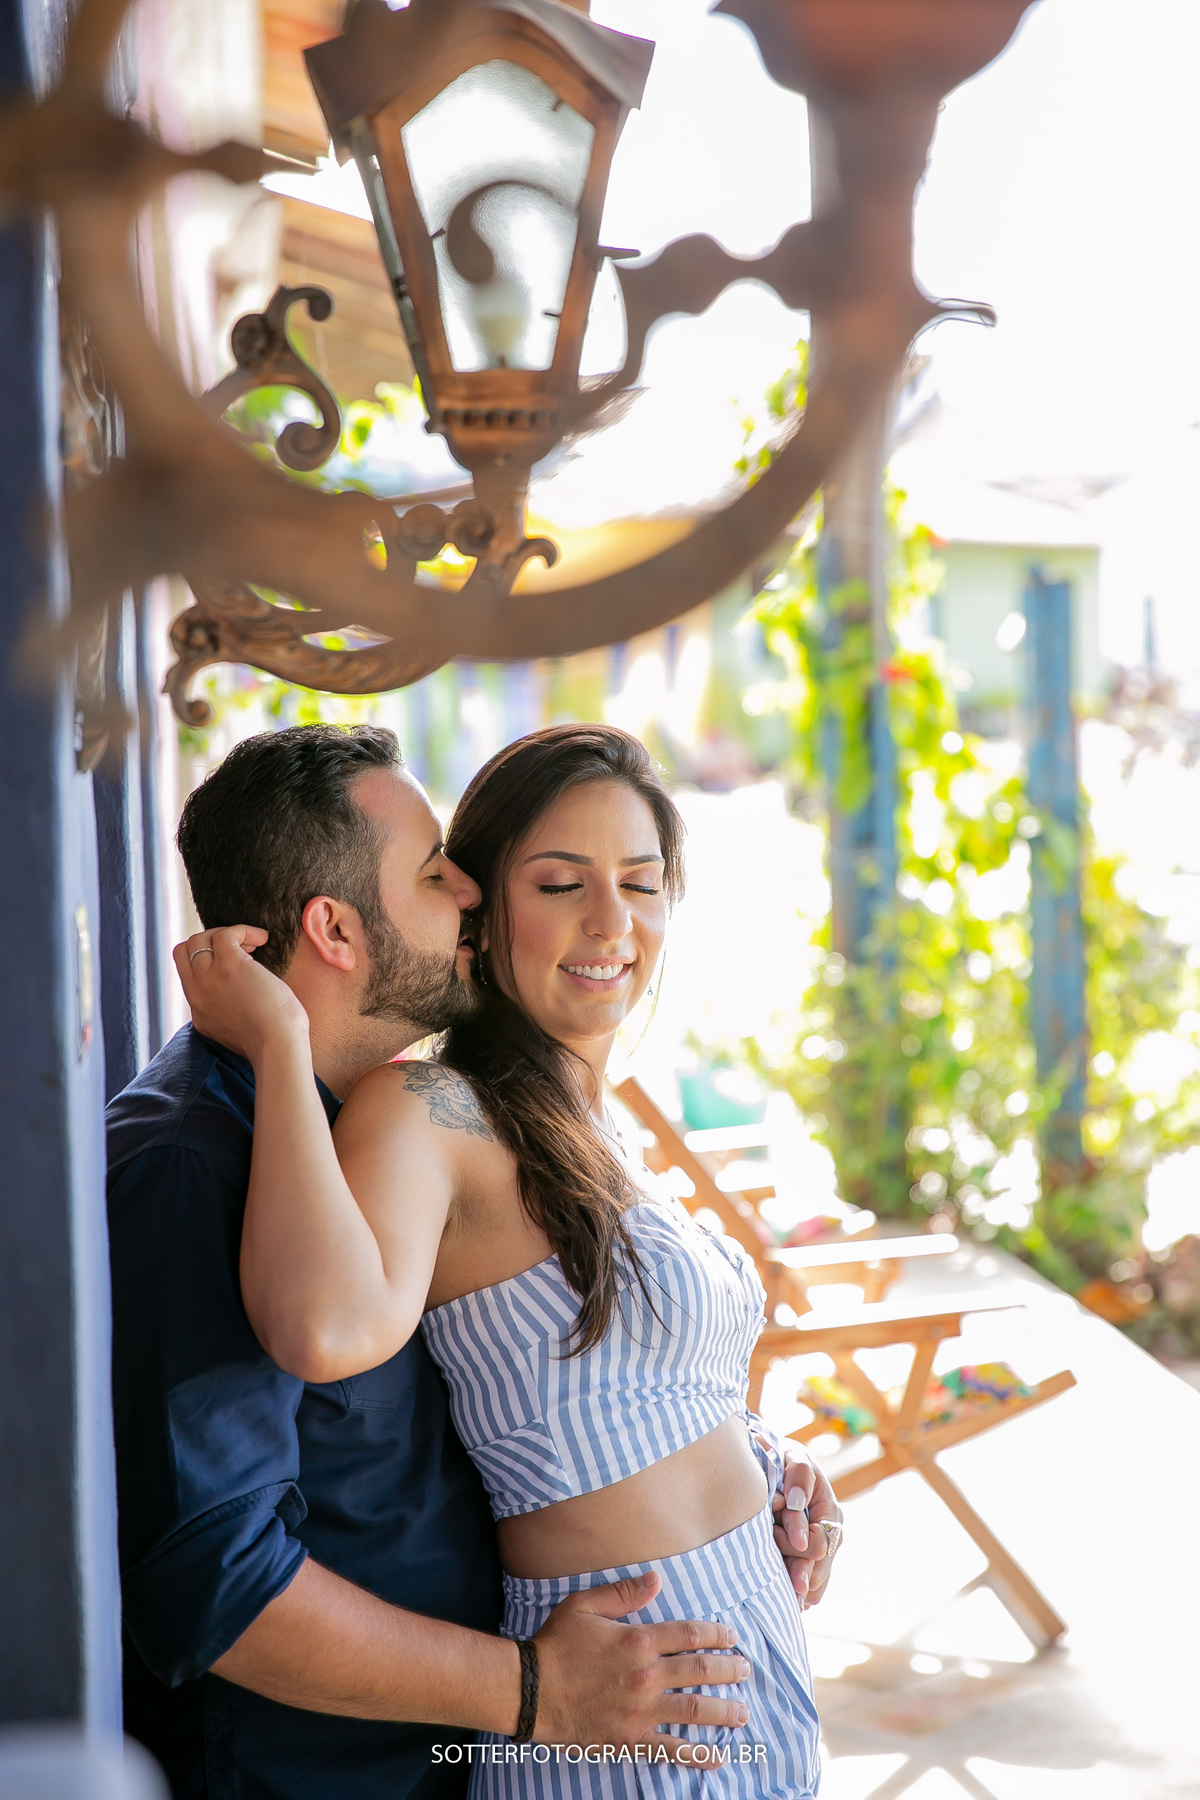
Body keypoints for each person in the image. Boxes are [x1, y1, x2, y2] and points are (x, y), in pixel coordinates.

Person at [107, 723, 840, 1800]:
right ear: (336, 929)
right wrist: (536, 1693)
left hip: (669, 1681)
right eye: (444, 872)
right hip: (410, 1750)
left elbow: (547, 1382)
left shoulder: (466, 1110)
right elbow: (218, 1579)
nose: (460, 888)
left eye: (643, 882)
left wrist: (762, 1466)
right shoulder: (266, 1139)